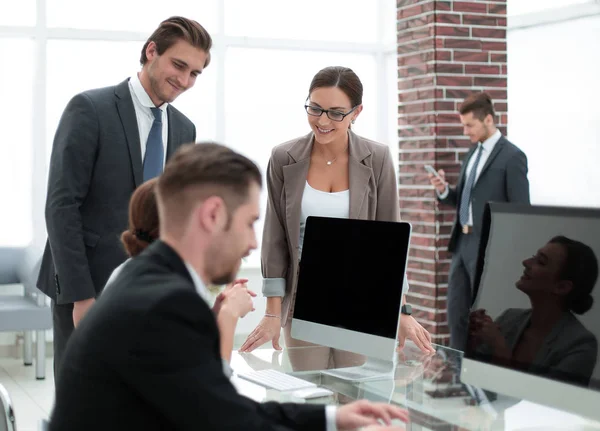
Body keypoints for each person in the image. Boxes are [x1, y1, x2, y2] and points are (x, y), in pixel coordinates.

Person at [49, 143, 410, 431]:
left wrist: (333, 419)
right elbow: (230, 423)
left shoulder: (146, 278)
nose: (253, 243)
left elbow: (221, 405)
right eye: (250, 222)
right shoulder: (167, 304)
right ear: (213, 215)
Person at [37, 16, 212, 378]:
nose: (184, 80)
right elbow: (61, 205)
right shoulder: (90, 109)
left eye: (194, 73)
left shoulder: (184, 128)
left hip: (149, 289)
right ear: (152, 51)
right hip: (88, 284)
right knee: (84, 399)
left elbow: (172, 215)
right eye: (178, 65)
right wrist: (80, 296)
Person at [241, 66, 434, 366]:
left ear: (356, 112)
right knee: (310, 396)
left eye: (335, 113)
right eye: (315, 108)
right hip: (303, 295)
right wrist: (271, 312)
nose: (322, 121)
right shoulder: (283, 157)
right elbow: (275, 237)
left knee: (355, 397)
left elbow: (390, 241)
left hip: (362, 294)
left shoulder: (378, 158)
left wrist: (402, 311)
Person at [103, 177, 252, 367]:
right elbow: (208, 382)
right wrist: (229, 315)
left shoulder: (130, 270)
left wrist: (212, 315)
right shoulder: (169, 286)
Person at [428, 91, 530, 351]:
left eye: (469, 125)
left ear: (488, 120)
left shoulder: (512, 157)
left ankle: (486, 384)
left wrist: (507, 255)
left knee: (485, 320)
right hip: (462, 243)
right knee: (456, 315)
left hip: (489, 248)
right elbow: (464, 200)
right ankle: (461, 382)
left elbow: (521, 212)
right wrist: (444, 190)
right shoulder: (471, 154)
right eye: (463, 125)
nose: (465, 131)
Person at [469, 236, 598, 386]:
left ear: (562, 287)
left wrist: (499, 348)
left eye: (541, 262)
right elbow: (472, 378)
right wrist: (469, 341)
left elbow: (542, 403)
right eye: (533, 257)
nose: (526, 262)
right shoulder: (509, 318)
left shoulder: (580, 346)